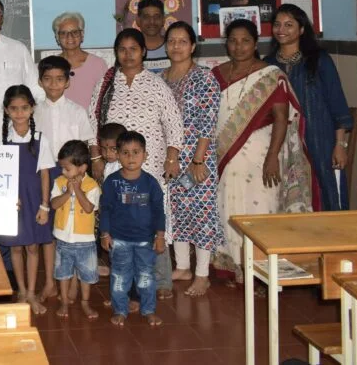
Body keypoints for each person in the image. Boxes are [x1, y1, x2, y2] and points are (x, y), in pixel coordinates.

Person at [212, 19, 311, 284]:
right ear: (226, 44)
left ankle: (263, 271)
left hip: (260, 155)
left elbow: (281, 118)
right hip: (225, 157)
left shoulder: (270, 76)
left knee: (261, 207)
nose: (239, 46)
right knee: (228, 205)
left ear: (255, 43)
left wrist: (272, 158)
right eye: (233, 41)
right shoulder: (217, 74)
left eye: (245, 41)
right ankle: (236, 266)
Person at [89, 28, 183, 298]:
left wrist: (172, 157)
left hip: (149, 166)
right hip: (115, 168)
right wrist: (96, 158)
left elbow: (174, 123)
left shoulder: (156, 84)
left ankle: (161, 281)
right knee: (120, 219)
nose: (128, 54)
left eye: (133, 49)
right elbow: (92, 121)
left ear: (143, 51)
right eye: (122, 49)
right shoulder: (107, 84)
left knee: (151, 218)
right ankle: (125, 283)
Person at [267, 3, 354, 211]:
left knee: (327, 192)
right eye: (277, 24)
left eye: (289, 25)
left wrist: (340, 145)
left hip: (319, 141)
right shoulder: (268, 65)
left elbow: (337, 105)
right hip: (282, 143)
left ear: (302, 29)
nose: (281, 30)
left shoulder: (319, 60)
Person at [160, 22, 224, 297]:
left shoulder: (204, 78)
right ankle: (184, 267)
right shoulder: (161, 78)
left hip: (197, 159)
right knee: (176, 212)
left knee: (202, 213)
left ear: (193, 46)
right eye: (172, 41)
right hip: (171, 159)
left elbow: (207, 122)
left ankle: (202, 274)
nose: (176, 46)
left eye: (182, 41)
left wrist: (198, 160)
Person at [35, 55, 95, 302]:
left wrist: (82, 174)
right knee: (50, 231)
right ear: (40, 81)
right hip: (44, 174)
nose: (53, 84)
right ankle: (51, 282)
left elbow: (86, 145)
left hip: (72, 175)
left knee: (72, 227)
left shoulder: (77, 111)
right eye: (48, 79)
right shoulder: (34, 112)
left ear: (67, 82)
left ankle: (73, 283)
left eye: (59, 79)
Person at [100, 131, 166, 327]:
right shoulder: (111, 182)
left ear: (145, 155)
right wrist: (104, 233)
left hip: (145, 240)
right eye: (125, 152)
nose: (131, 157)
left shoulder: (151, 183)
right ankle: (120, 310)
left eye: (136, 152)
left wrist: (160, 236)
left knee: (146, 276)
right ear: (118, 155)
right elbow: (105, 210)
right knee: (120, 276)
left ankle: (148, 310)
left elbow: (159, 212)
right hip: (119, 240)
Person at [0, 85, 53, 316]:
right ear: (6, 110)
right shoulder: (0, 140)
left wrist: (44, 205)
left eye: (24, 108)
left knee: (32, 247)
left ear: (32, 109)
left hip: (33, 200)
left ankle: (31, 292)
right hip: (11, 200)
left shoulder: (40, 139)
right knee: (16, 247)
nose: (19, 113)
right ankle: (21, 291)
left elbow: (45, 174)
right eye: (14, 108)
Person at [50, 140, 100, 321]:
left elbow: (88, 208)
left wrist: (77, 190)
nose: (63, 172)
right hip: (63, 238)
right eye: (62, 168)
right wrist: (67, 193)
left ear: (82, 168)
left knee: (86, 274)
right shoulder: (59, 182)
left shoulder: (92, 186)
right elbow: (54, 204)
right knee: (63, 272)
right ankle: (64, 301)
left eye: (67, 168)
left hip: (85, 240)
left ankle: (85, 302)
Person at [51, 12, 108, 107]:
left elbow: (106, 100)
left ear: (82, 35)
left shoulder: (98, 64)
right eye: (64, 33)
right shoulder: (50, 66)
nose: (70, 37)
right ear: (57, 37)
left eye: (75, 32)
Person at [136, 0, 168, 67]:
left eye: (157, 17)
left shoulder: (172, 48)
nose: (152, 21)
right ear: (138, 20)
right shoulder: (131, 50)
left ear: (163, 20)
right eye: (146, 17)